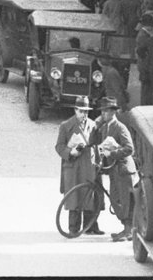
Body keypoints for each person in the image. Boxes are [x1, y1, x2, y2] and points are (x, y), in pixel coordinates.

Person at [90, 96, 138, 240]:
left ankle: (129, 230)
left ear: (113, 112)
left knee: (125, 199)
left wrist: (112, 153)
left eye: (105, 111)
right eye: (102, 111)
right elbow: (93, 142)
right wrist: (96, 126)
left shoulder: (120, 127)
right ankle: (126, 229)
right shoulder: (105, 127)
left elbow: (129, 149)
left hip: (123, 169)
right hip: (113, 170)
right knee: (115, 199)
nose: (103, 114)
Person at [55, 104, 98, 233]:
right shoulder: (65, 126)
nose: (84, 114)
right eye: (81, 111)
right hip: (73, 166)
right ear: (75, 110)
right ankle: (73, 228)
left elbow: (97, 144)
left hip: (88, 166)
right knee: (74, 197)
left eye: (86, 112)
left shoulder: (93, 125)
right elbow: (59, 146)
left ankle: (90, 227)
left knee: (89, 195)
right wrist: (70, 152)